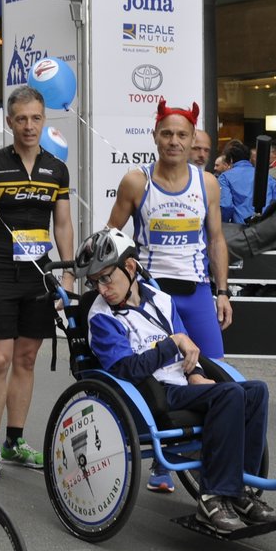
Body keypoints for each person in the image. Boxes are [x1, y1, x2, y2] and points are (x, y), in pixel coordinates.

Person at [78, 228, 276, 534]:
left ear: (130, 267)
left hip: (180, 385)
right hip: (146, 393)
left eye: (106, 278)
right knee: (229, 397)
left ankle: (239, 489)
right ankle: (212, 497)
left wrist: (196, 373)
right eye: (94, 282)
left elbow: (188, 346)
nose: (102, 289)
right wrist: (171, 345)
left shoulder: (161, 299)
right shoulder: (101, 317)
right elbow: (126, 369)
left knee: (255, 392)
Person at [0, 85, 75, 482]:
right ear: (9, 122)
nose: (29, 126)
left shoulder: (56, 169)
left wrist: (66, 272)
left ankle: (15, 440)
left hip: (39, 275)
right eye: (22, 119)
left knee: (26, 359)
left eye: (36, 118)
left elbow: (62, 223)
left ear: (44, 121)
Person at [105, 99, 233, 397]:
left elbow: (216, 240)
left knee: (216, 369)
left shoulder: (208, 183)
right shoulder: (137, 182)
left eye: (181, 135)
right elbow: (111, 236)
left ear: (192, 140)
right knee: (162, 373)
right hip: (152, 292)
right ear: (155, 135)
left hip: (196, 292)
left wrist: (223, 293)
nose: (174, 141)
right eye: (166, 134)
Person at [216, 139, 276, 223]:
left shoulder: (225, 177)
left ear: (231, 160)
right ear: (249, 158)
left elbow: (226, 206)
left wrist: (223, 224)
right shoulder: (267, 177)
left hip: (240, 229)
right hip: (265, 228)